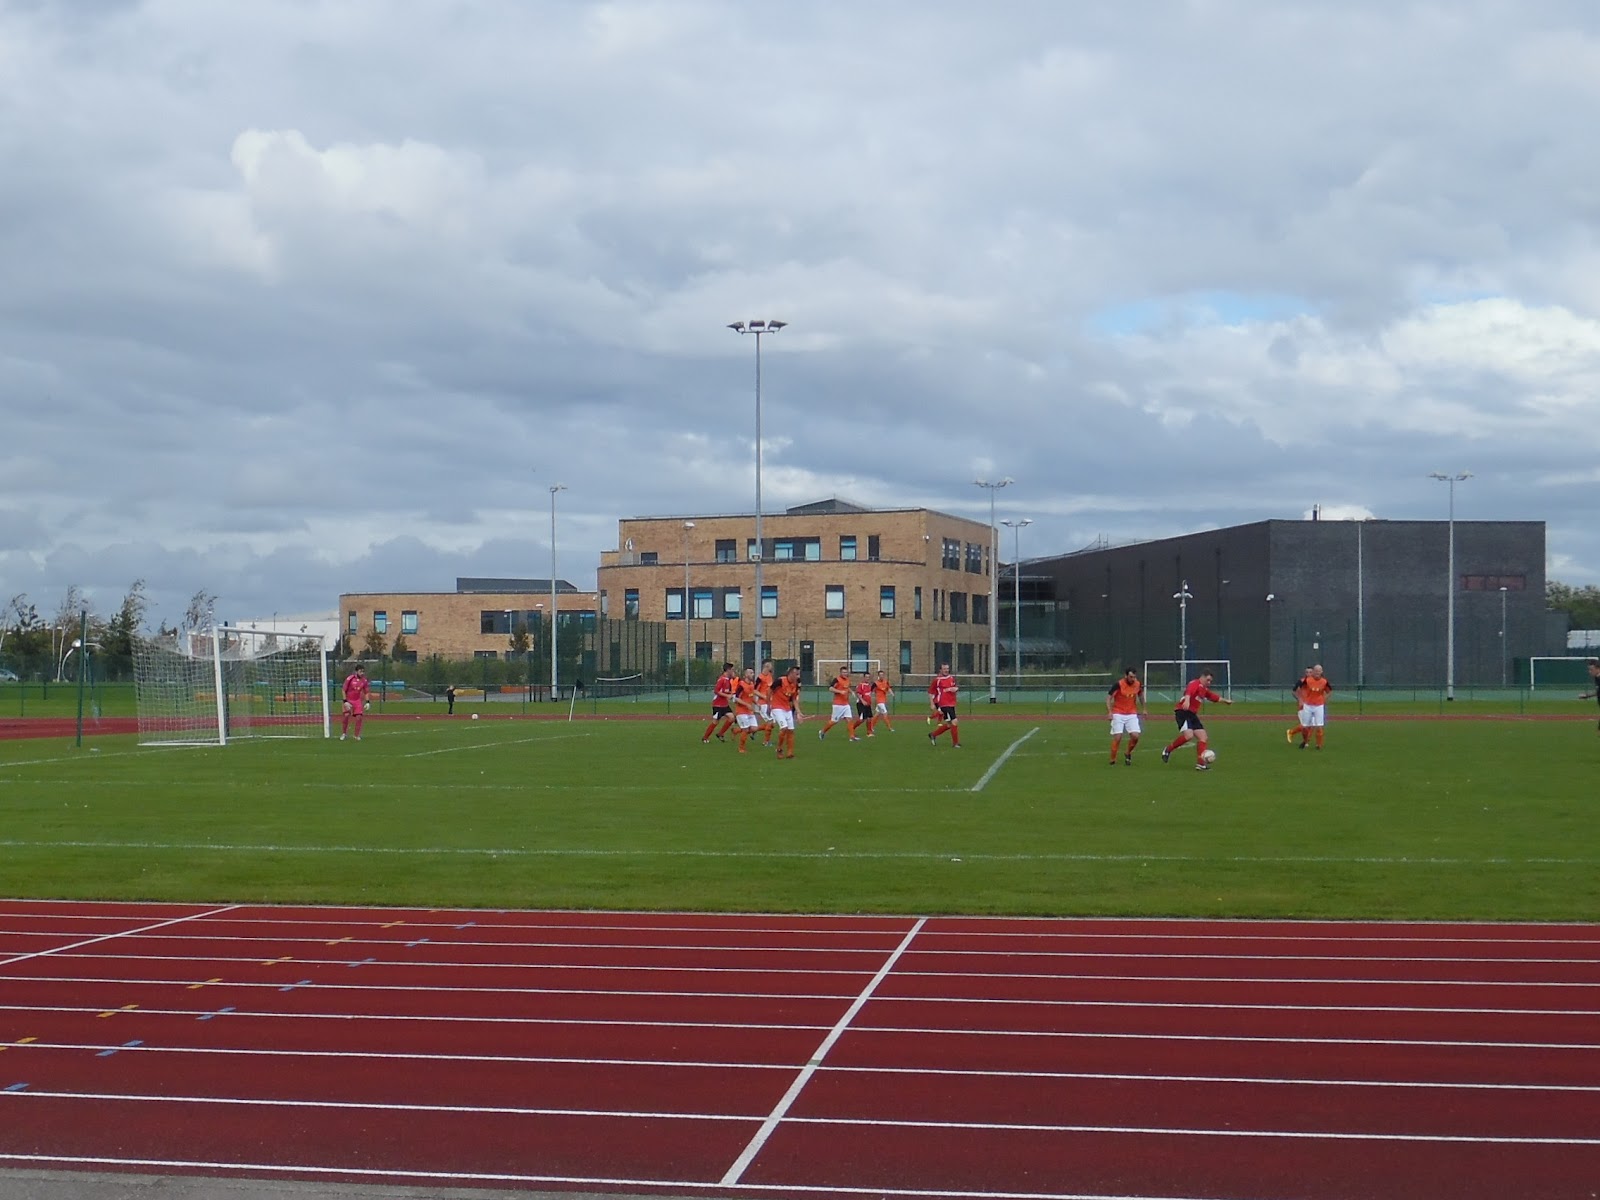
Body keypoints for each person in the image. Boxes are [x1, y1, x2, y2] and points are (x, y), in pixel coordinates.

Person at [1160, 669, 1232, 770]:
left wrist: (1225, 701)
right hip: (1183, 712)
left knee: (1203, 737)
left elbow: (1213, 697)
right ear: (1202, 677)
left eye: (1210, 681)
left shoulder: (1204, 689)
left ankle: (1201, 763)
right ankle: (1168, 749)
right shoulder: (1195, 683)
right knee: (1189, 736)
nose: (1209, 683)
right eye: (1208, 680)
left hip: (1192, 714)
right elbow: (1189, 691)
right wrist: (1187, 701)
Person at [1287, 664, 1333, 749]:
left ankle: (1318, 745)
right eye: (1315, 671)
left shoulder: (1324, 681)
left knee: (1318, 726)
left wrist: (1324, 699)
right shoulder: (1306, 680)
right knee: (1305, 726)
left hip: (1318, 706)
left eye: (1319, 671)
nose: (1317, 672)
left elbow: (1330, 691)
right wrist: (1300, 699)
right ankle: (1303, 740)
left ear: (1321, 672)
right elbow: (1296, 690)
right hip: (1307, 705)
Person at [1106, 667, 1145, 765]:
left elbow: (1140, 696)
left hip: (1131, 713)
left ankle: (1128, 752)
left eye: (1134, 677)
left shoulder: (1138, 684)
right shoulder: (1118, 684)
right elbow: (1109, 697)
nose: (1133, 679)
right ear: (1126, 676)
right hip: (1118, 713)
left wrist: (1144, 708)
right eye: (1131, 677)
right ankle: (1112, 759)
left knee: (1135, 736)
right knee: (1118, 737)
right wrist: (1110, 712)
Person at [769, 665, 803, 759]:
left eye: (798, 674)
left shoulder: (795, 684)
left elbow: (794, 699)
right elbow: (770, 690)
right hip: (777, 707)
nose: (798, 676)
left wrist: (799, 713)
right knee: (784, 728)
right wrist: (769, 704)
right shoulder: (780, 681)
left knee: (791, 730)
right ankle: (779, 748)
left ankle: (790, 753)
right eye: (796, 674)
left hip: (787, 708)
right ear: (791, 673)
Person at [701, 663, 737, 743]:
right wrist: (727, 696)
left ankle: (720, 733)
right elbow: (716, 691)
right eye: (732, 670)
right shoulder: (722, 679)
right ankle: (705, 737)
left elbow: (727, 691)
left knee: (732, 718)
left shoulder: (728, 680)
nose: (733, 672)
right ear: (728, 670)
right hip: (717, 705)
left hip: (724, 704)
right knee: (715, 722)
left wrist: (732, 694)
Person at [928, 662, 961, 748]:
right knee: (954, 721)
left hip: (951, 703)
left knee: (950, 724)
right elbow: (931, 692)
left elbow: (956, 687)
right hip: (944, 703)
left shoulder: (951, 678)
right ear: (940, 670)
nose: (946, 670)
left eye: (947, 668)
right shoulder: (937, 680)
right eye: (944, 669)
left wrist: (955, 689)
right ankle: (955, 743)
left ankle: (933, 734)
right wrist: (932, 703)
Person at [819, 667, 854, 740]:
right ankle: (822, 731)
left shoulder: (847, 680)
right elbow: (830, 688)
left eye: (846, 672)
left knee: (849, 719)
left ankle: (852, 737)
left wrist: (852, 692)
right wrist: (840, 691)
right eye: (843, 672)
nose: (845, 674)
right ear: (840, 673)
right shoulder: (837, 680)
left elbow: (847, 687)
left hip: (846, 704)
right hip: (838, 704)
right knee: (834, 721)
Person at [731, 667, 760, 753]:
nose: (753, 674)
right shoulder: (741, 685)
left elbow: (750, 696)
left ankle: (736, 730)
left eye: (753, 673)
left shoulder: (751, 684)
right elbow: (736, 698)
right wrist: (746, 704)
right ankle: (741, 748)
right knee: (746, 730)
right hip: (741, 711)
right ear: (746, 675)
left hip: (749, 711)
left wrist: (756, 703)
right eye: (751, 673)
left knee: (754, 728)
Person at [339, 664, 371, 741]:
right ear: (356, 671)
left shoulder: (364, 680)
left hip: (357, 701)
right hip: (348, 700)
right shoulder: (350, 679)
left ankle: (356, 735)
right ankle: (344, 733)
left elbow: (366, 692)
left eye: (363, 671)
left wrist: (367, 702)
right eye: (360, 671)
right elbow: (343, 690)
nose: (362, 673)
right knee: (346, 715)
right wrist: (345, 701)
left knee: (359, 717)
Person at [755, 660, 776, 747]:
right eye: (770, 666)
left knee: (772, 723)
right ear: (767, 667)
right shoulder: (760, 678)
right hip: (763, 703)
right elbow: (754, 690)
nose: (772, 668)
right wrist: (764, 697)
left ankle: (753, 730)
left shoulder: (770, 676)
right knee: (770, 722)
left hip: (769, 703)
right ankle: (766, 742)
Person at [1578, 660, 1600, 731]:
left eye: (1591, 669)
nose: (1590, 671)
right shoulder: (1597, 678)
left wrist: (1587, 696)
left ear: (1598, 669)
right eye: (1589, 669)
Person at [852, 672, 875, 739]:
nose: (868, 678)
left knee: (869, 718)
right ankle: (852, 729)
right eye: (866, 677)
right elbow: (858, 694)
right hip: (861, 704)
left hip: (868, 704)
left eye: (869, 677)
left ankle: (869, 732)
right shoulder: (861, 685)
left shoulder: (869, 685)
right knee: (861, 719)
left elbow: (869, 694)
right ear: (864, 677)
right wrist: (863, 701)